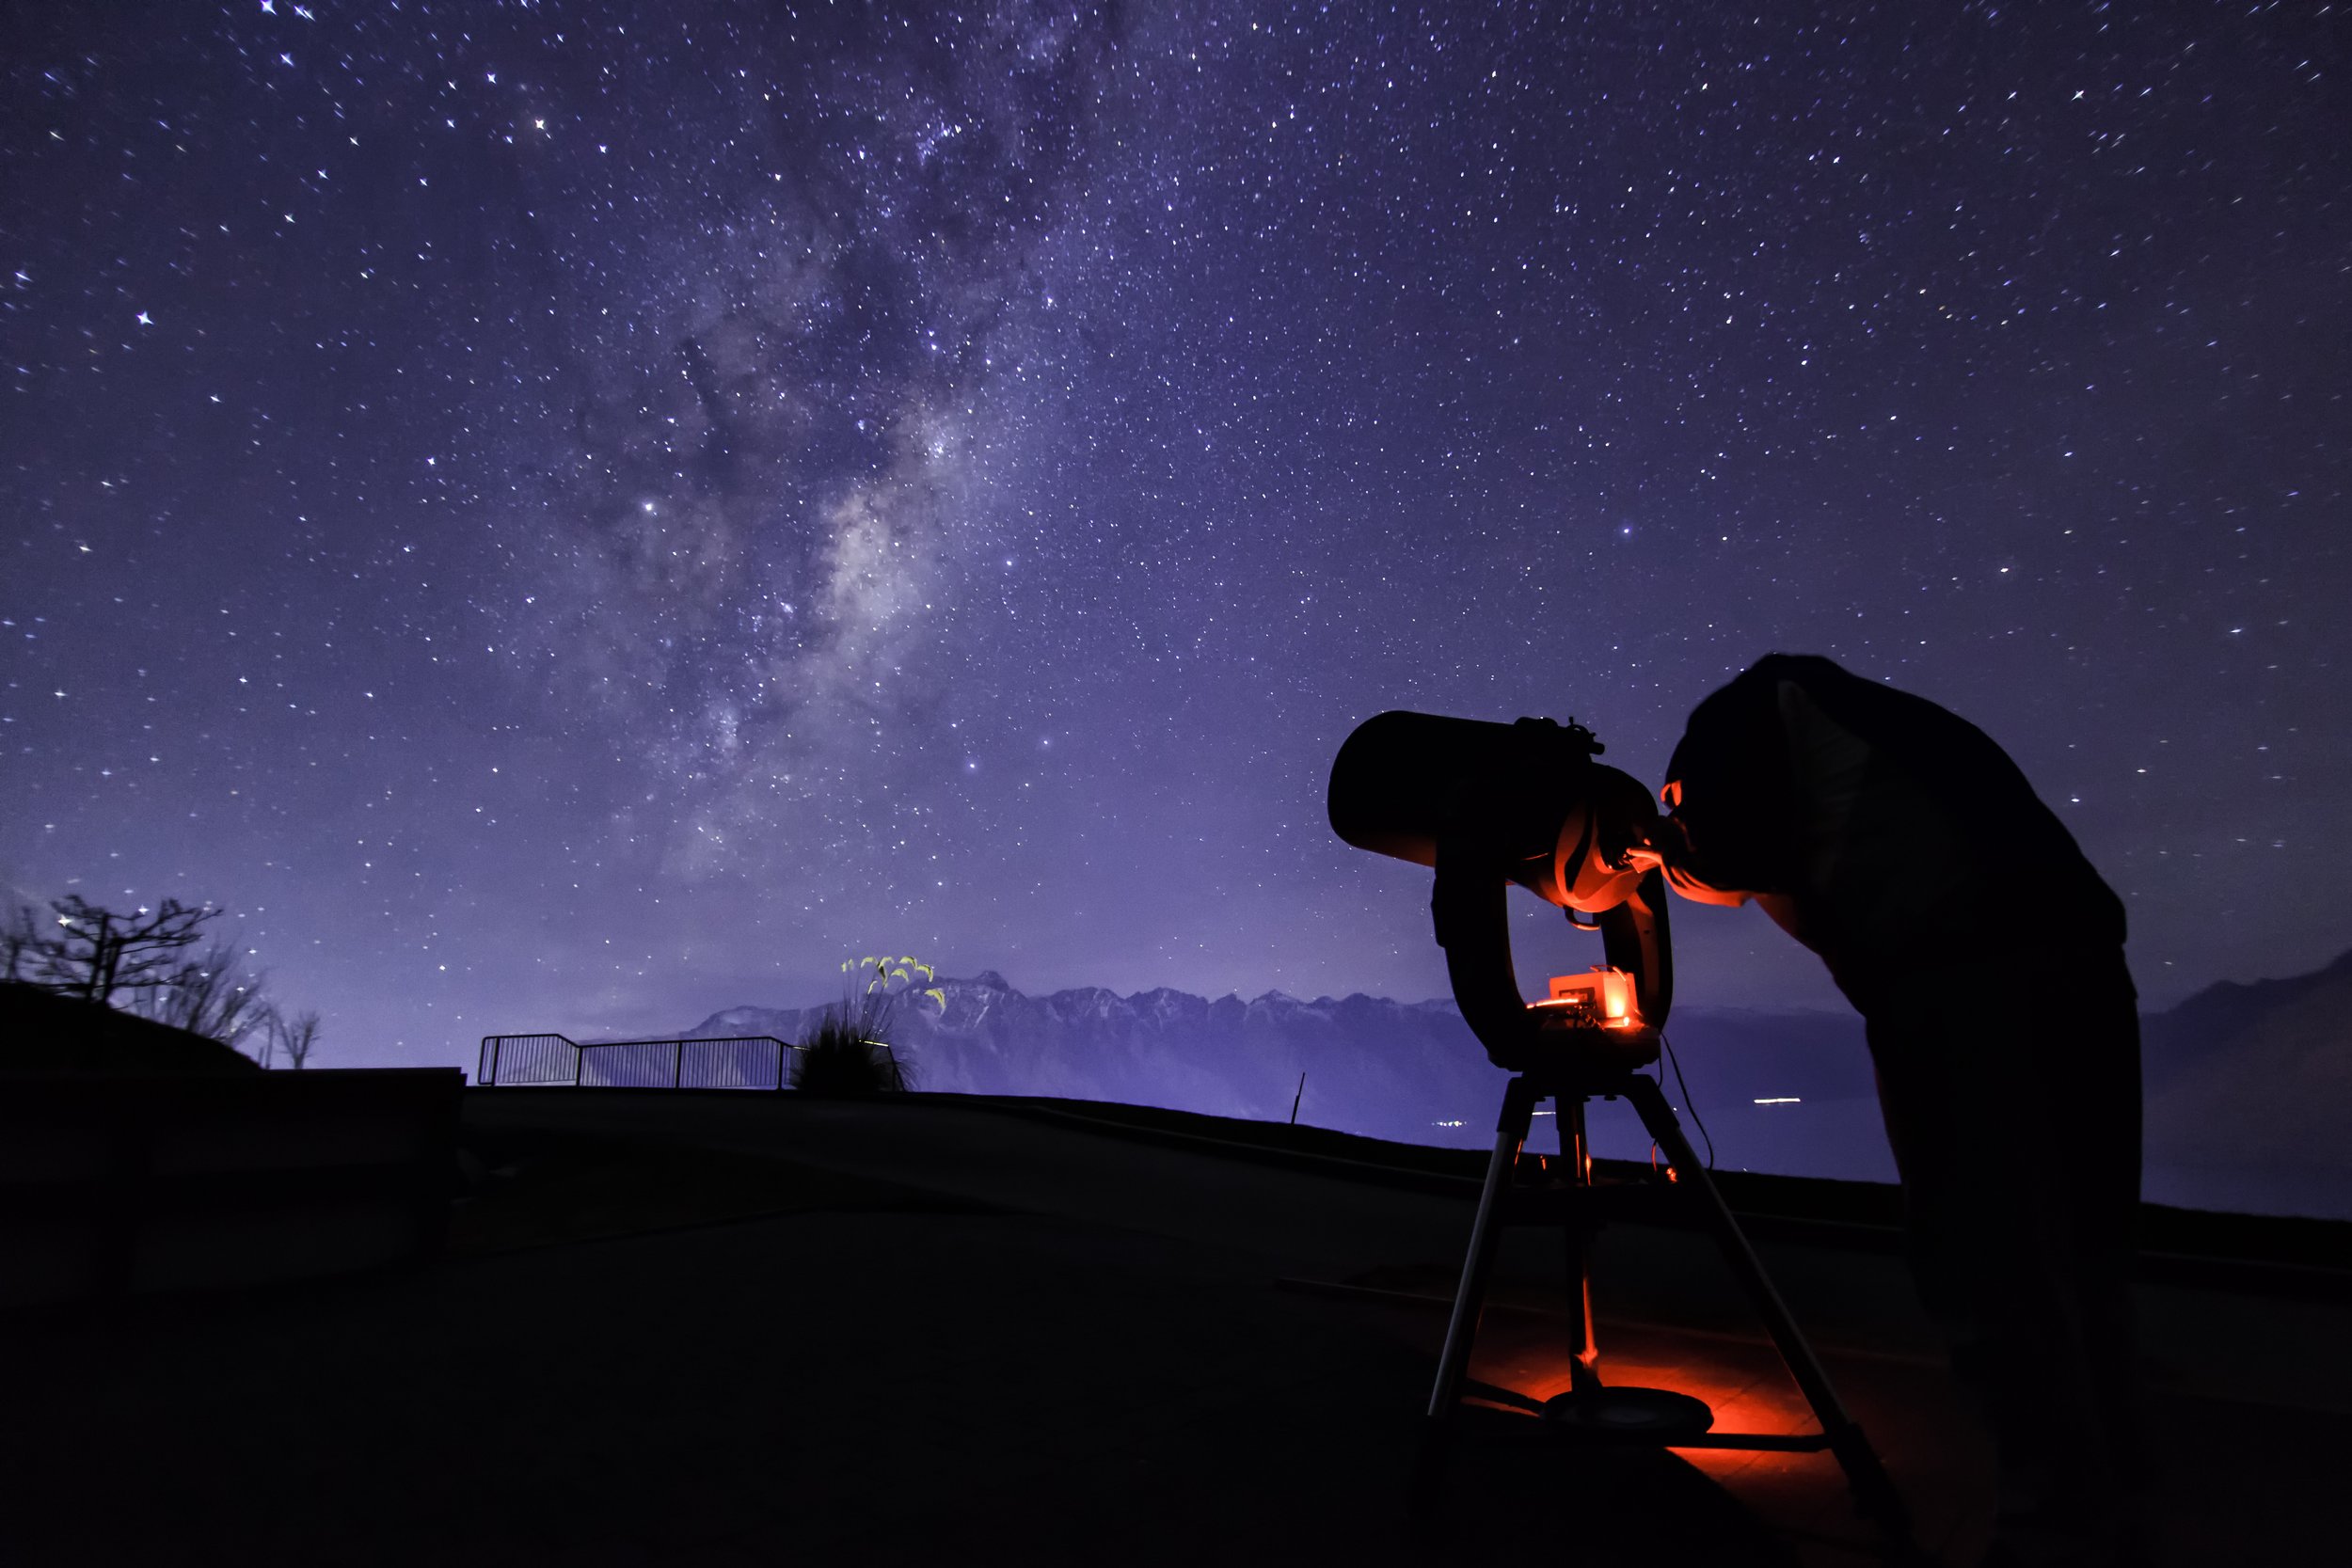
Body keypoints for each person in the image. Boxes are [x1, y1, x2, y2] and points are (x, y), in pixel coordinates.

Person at [1635, 653, 2144, 1568]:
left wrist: (1663, 849)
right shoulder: (1848, 716)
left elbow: (1732, 847)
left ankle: (2049, 1536)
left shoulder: (1733, 727)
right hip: (2082, 962)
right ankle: (2110, 1505)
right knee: (2080, 1252)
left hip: (1959, 979)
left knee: (1984, 1263)